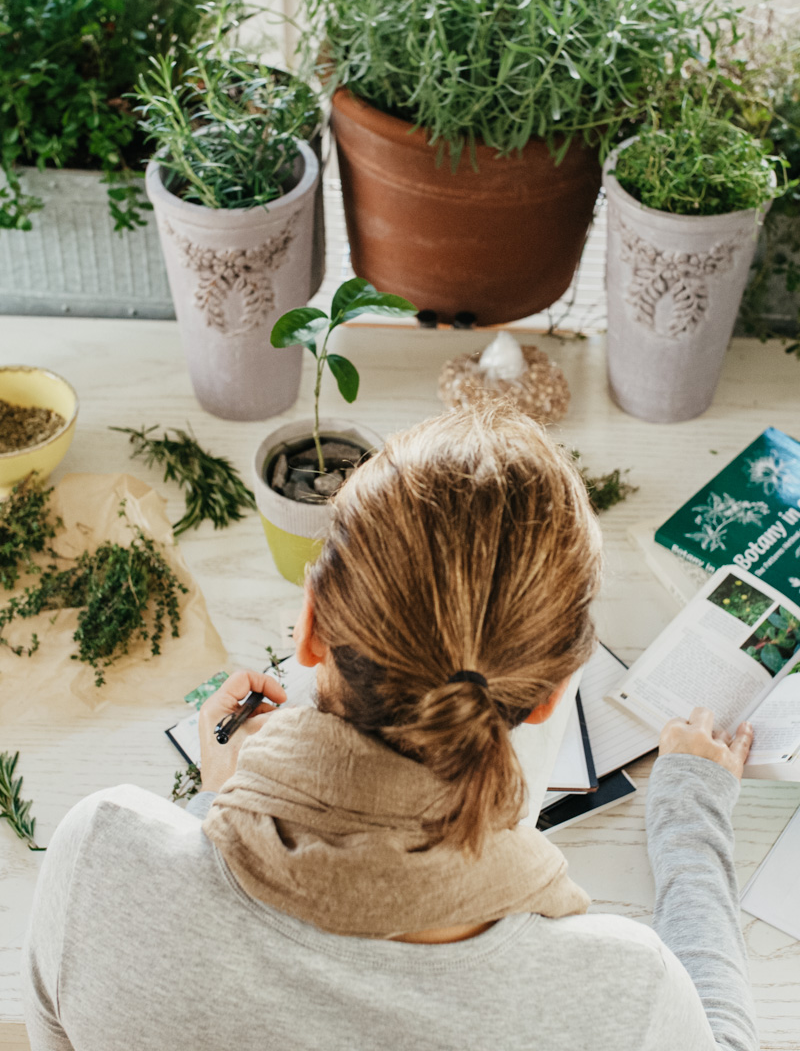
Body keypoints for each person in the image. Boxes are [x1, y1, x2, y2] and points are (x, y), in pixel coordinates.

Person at [22, 406, 758, 1051]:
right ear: (551, 695)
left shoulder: (100, 861)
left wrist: (224, 802)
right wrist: (690, 814)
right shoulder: (624, 996)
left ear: (310, 625)